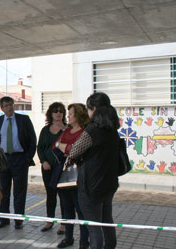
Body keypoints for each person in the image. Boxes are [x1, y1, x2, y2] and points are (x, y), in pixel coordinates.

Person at [67, 92, 120, 249]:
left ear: (94, 109)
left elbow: (73, 153)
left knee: (94, 227)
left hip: (90, 186)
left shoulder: (91, 130)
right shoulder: (112, 129)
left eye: (88, 109)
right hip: (109, 184)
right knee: (107, 221)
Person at [0, 96, 37, 230]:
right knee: (3, 191)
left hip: (20, 159)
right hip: (3, 159)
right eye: (6, 105)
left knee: (20, 192)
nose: (9, 107)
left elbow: (32, 140)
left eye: (11, 104)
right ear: (2, 108)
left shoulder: (24, 120)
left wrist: (27, 157)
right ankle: (3, 219)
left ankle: (18, 220)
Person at [52, 103, 90, 249]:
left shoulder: (85, 132)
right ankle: (68, 238)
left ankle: (84, 241)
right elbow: (55, 145)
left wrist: (66, 148)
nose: (67, 116)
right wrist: (68, 148)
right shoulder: (67, 131)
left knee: (81, 211)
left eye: (71, 114)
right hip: (63, 177)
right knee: (66, 209)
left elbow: (77, 151)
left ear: (79, 115)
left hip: (79, 178)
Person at [37, 102, 67, 234]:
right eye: (55, 111)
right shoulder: (45, 130)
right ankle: (50, 220)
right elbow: (40, 148)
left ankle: (64, 224)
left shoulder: (67, 129)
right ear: (50, 113)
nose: (58, 113)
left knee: (64, 196)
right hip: (47, 168)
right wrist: (43, 161)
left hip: (62, 169)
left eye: (61, 111)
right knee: (50, 195)